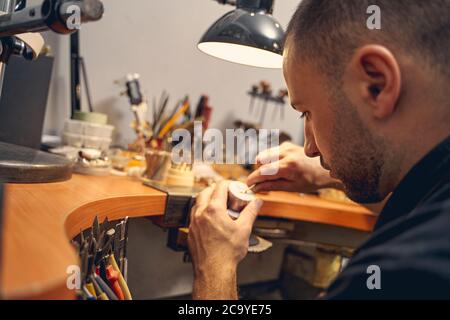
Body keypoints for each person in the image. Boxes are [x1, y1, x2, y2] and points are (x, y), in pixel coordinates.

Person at [188, 0, 450, 299]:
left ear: (376, 84)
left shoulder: (408, 269)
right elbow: (416, 200)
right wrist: (330, 176)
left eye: (306, 113)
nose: (310, 149)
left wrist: (215, 266)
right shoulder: (434, 198)